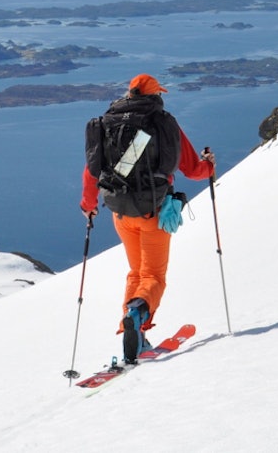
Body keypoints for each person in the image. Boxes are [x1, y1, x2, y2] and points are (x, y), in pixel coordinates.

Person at [80, 73, 215, 362]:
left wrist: (88, 205)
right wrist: (209, 167)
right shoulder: (164, 124)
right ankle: (137, 313)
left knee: (136, 272)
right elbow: (192, 169)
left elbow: (92, 170)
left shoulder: (108, 123)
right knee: (153, 276)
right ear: (156, 96)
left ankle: (134, 333)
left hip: (119, 212)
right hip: (152, 211)